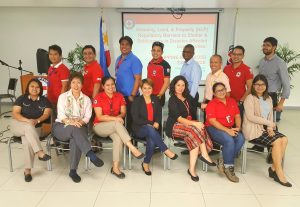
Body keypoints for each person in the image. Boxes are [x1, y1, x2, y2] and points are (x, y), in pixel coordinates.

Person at [52, 72, 104, 183]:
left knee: (75, 138)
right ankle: (90, 154)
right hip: (61, 126)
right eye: (73, 82)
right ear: (70, 83)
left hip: (80, 126)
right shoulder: (63, 97)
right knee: (75, 130)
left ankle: (73, 171)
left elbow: (87, 116)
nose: (76, 85)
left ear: (82, 84)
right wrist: (71, 122)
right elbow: (61, 115)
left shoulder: (86, 99)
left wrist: (79, 122)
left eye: (79, 83)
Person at [243, 74, 292, 187]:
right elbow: (251, 117)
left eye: (262, 84)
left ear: (266, 85)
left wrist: (270, 128)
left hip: (265, 128)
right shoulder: (250, 98)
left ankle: (273, 168)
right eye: (257, 84)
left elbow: (270, 116)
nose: (260, 87)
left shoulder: (269, 98)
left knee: (284, 139)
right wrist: (270, 124)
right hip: (253, 129)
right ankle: (279, 172)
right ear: (253, 86)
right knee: (277, 142)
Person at [93, 77, 144, 179]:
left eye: (112, 84)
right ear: (103, 86)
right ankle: (132, 147)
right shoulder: (98, 97)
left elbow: (123, 112)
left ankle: (115, 168)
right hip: (100, 126)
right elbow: (100, 117)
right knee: (117, 124)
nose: (110, 87)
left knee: (118, 138)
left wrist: (114, 118)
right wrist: (115, 119)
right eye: (107, 85)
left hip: (115, 127)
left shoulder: (119, 96)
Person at [166, 75, 215, 182]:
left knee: (195, 133)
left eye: (183, 85)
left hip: (189, 127)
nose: (180, 87)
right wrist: (195, 124)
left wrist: (212, 105)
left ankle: (191, 170)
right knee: (196, 128)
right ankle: (205, 154)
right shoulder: (172, 100)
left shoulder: (187, 97)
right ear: (174, 86)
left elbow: (198, 105)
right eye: (178, 85)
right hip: (174, 126)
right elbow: (179, 119)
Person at [249, 37, 290, 153]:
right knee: (259, 121)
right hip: (259, 95)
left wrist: (281, 103)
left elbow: (286, 84)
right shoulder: (262, 61)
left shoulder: (280, 63)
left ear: (274, 47)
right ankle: (259, 146)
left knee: (270, 122)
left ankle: (274, 149)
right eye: (263, 45)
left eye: (267, 45)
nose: (265, 47)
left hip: (270, 96)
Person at [131, 79, 178, 176]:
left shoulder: (155, 99)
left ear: (152, 89)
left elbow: (158, 114)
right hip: (139, 129)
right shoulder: (137, 101)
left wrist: (156, 121)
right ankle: (166, 150)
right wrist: (150, 123)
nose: (147, 90)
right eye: (144, 88)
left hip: (152, 130)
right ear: (141, 89)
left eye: (149, 88)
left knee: (151, 141)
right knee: (149, 129)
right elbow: (136, 119)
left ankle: (145, 163)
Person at [10, 78, 52, 182]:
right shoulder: (21, 98)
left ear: (41, 89)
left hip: (36, 128)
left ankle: (27, 170)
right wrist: (27, 121)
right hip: (18, 125)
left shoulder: (45, 100)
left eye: (37, 87)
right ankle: (40, 152)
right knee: (28, 127)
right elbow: (15, 113)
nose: (34, 89)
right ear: (28, 88)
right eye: (32, 86)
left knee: (27, 140)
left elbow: (46, 114)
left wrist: (37, 120)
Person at [205, 82, 245, 183]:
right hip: (213, 128)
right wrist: (228, 131)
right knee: (229, 140)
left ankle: (223, 159)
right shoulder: (211, 104)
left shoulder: (231, 101)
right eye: (218, 91)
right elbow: (213, 121)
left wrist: (238, 127)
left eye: (223, 89)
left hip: (230, 128)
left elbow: (237, 116)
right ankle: (229, 167)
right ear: (214, 93)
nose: (221, 92)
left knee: (240, 138)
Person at [115, 36, 142, 133]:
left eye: (127, 44)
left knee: (131, 121)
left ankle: (131, 145)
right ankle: (124, 143)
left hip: (130, 96)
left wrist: (133, 95)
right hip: (120, 96)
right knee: (122, 120)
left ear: (131, 47)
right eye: (122, 44)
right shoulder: (118, 59)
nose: (124, 46)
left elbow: (138, 79)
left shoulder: (134, 60)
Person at [223, 45, 253, 117]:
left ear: (243, 56)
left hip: (238, 103)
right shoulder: (226, 68)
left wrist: (241, 101)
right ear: (231, 55)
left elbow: (250, 87)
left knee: (238, 125)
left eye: (239, 54)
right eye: (234, 54)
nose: (236, 56)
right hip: (226, 102)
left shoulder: (247, 69)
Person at [47, 44, 70, 121]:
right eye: (51, 54)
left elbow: (65, 87)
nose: (53, 56)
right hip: (51, 100)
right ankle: (53, 132)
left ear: (60, 55)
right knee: (53, 119)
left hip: (59, 101)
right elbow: (50, 83)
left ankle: (57, 133)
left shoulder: (63, 69)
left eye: (55, 54)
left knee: (59, 120)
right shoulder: (50, 68)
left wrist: (60, 102)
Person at [180, 44, 202, 120]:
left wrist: (189, 99)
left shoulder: (195, 66)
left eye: (188, 52)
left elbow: (195, 84)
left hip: (191, 96)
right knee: (185, 118)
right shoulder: (185, 64)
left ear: (193, 53)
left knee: (191, 118)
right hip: (184, 94)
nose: (185, 53)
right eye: (184, 51)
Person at [147, 41, 171, 106]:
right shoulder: (149, 63)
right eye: (154, 50)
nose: (155, 52)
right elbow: (148, 80)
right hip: (149, 95)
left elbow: (166, 83)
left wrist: (159, 95)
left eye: (158, 51)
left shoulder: (165, 65)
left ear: (162, 52)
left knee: (158, 116)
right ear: (151, 51)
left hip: (159, 96)